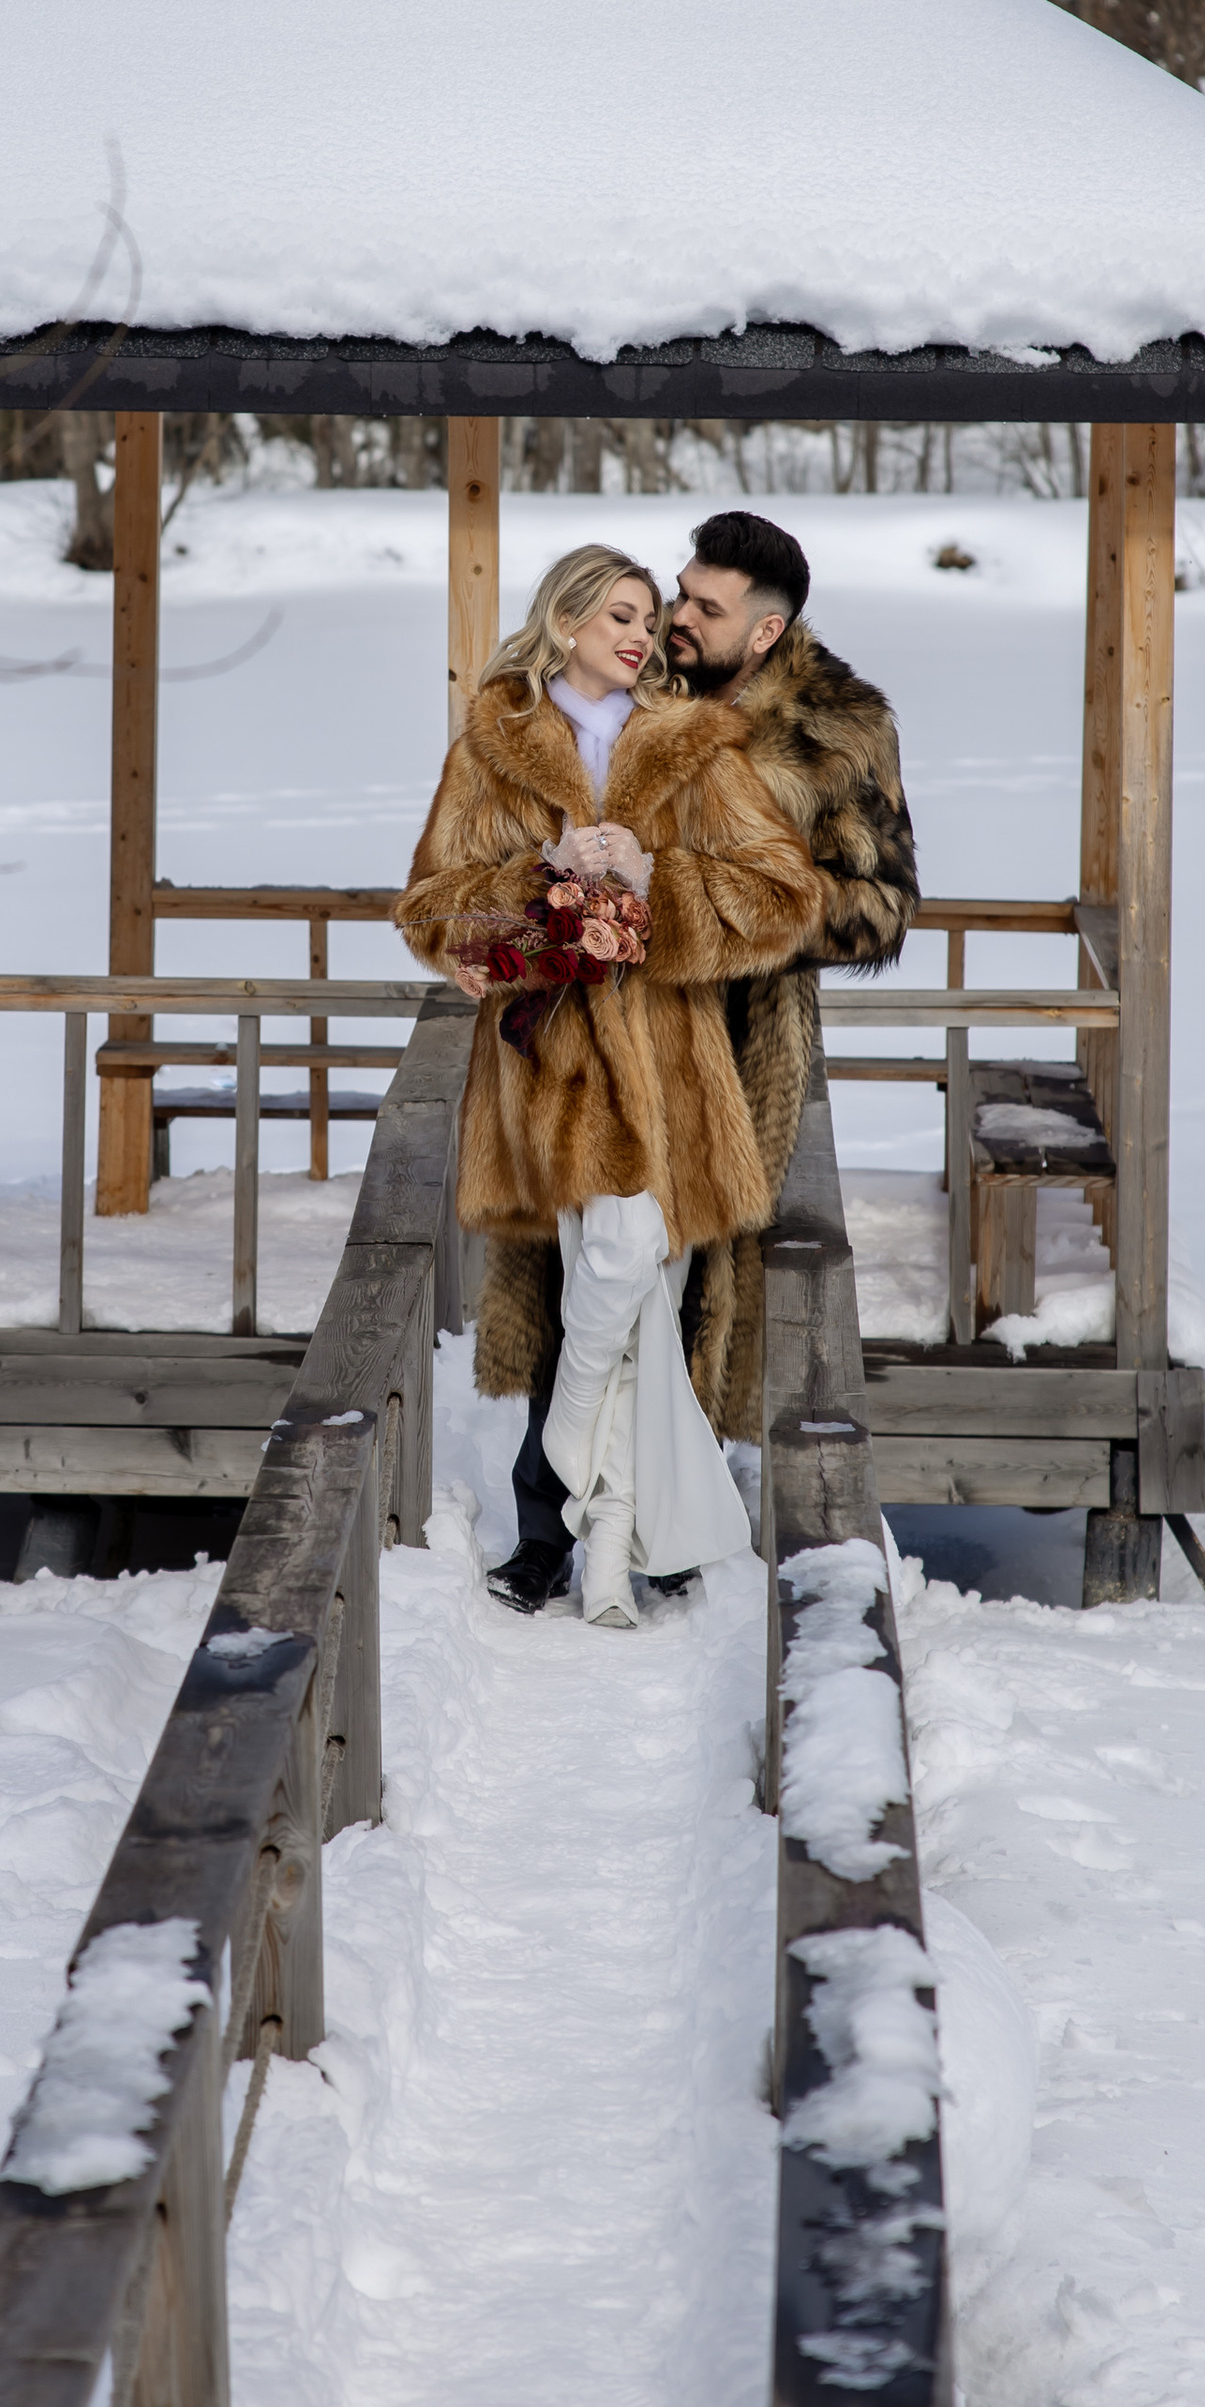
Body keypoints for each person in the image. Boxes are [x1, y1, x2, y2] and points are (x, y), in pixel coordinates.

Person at [478, 511, 919, 1611]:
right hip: (596, 1028)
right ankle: (546, 1533)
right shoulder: (636, 692)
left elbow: (877, 909)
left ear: (764, 635)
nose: (676, 617)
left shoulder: (839, 732)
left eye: (703, 608)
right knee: (570, 1275)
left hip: (733, 1043)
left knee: (684, 1296)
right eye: (676, 593)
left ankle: (652, 1540)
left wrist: (697, 898)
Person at [395, 543, 830, 1626]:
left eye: (650, 618)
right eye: (621, 616)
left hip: (672, 1070)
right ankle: (577, 1542)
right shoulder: (494, 749)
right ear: (566, 620)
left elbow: (785, 896)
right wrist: (535, 881)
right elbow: (429, 910)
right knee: (590, 1289)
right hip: (547, 1071)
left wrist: (656, 881)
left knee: (643, 1290)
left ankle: (595, 1509)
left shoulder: (689, 745)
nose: (643, 636)